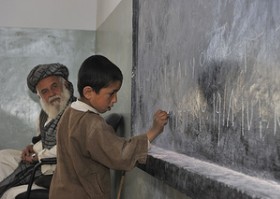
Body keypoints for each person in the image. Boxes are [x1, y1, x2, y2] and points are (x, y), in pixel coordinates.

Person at [49, 55, 169, 199]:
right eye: (111, 93)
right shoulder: (92, 124)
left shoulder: (69, 113)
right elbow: (121, 155)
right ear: (88, 92)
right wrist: (154, 131)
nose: (115, 99)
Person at [0, 63, 77, 198]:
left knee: (7, 184)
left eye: (54, 86)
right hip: (39, 159)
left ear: (64, 85)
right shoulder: (45, 114)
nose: (52, 94)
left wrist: (37, 156)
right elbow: (42, 139)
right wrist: (31, 148)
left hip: (56, 169)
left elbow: (68, 147)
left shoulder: (76, 113)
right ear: (39, 96)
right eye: (45, 91)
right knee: (2, 156)